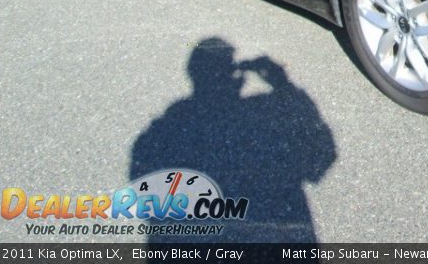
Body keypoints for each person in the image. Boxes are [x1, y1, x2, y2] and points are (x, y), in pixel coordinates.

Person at [128, 38, 336, 243]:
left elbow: (146, 187)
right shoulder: (263, 115)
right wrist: (283, 85)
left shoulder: (167, 128)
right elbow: (321, 155)